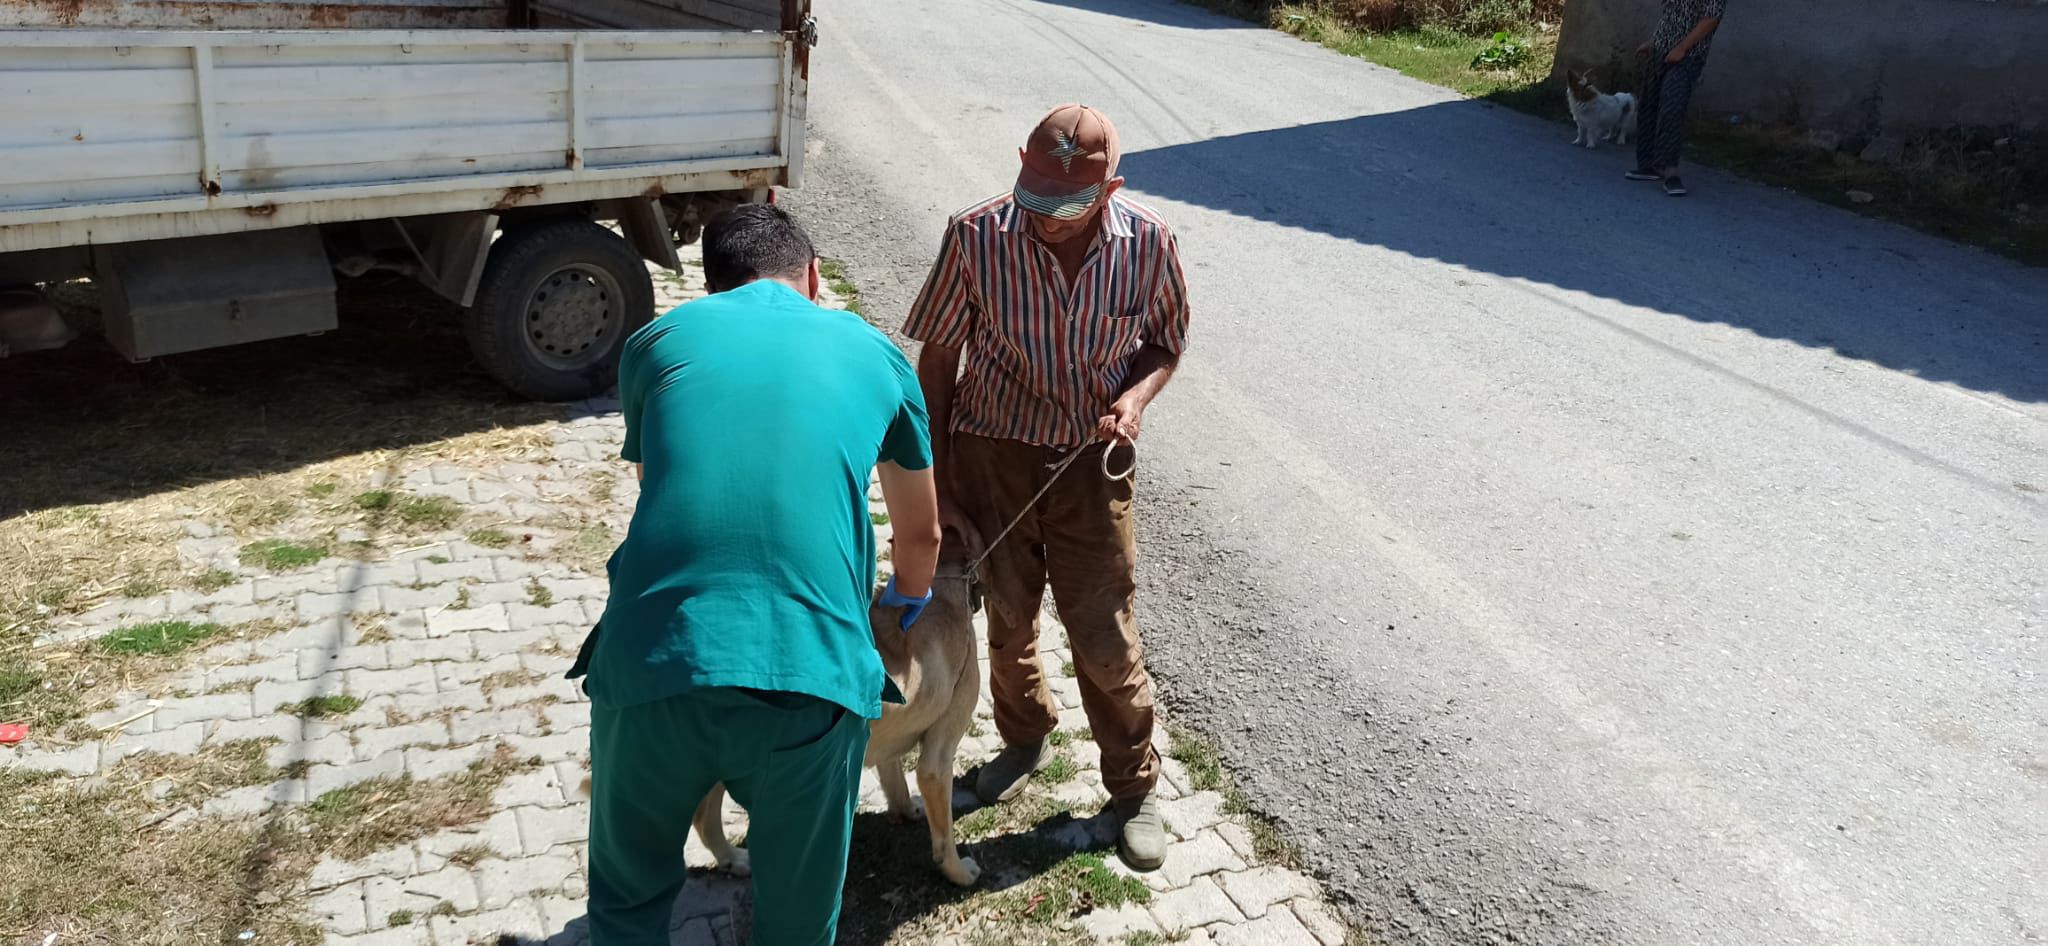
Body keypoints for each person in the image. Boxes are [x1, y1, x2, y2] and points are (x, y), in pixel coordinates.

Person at [571, 204, 943, 946]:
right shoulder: (877, 355)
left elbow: (658, 481)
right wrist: (904, 600)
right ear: (813, 277)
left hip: (652, 661)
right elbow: (923, 533)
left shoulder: (657, 341)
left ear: (713, 288)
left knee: (627, 904)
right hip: (808, 681)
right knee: (797, 924)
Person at [904, 104, 1191, 872]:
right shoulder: (974, 235)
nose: (1043, 222)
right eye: (1033, 200)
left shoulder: (1150, 243)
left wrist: (1133, 400)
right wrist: (937, 481)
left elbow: (1166, 341)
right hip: (990, 457)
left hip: (1089, 468)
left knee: (1103, 635)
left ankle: (1133, 789)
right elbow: (935, 361)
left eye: (1064, 209)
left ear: (1110, 190)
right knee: (1005, 620)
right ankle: (1023, 741)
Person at [1628, 0, 1728, 197]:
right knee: (1649, 105)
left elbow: (1712, 18)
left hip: (1688, 56)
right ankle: (1647, 165)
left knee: (1672, 107)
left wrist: (1682, 48)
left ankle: (1670, 171)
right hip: (1660, 49)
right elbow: (1672, 14)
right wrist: (1654, 41)